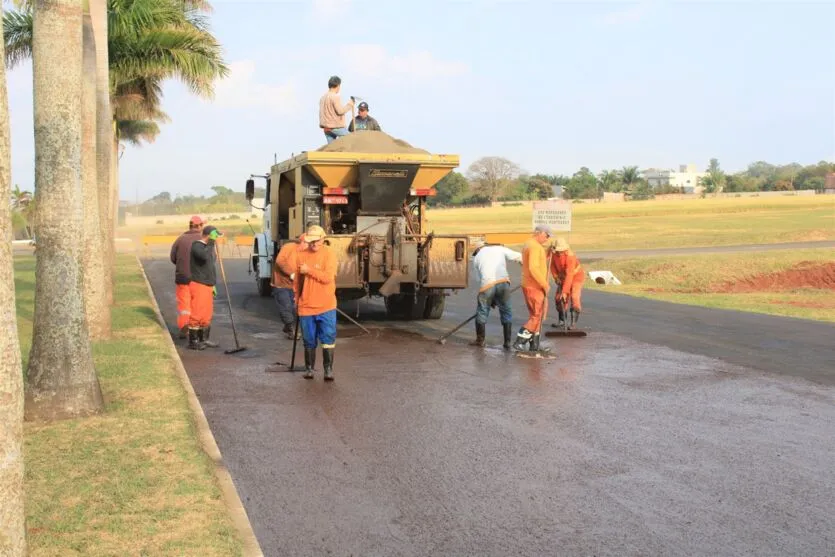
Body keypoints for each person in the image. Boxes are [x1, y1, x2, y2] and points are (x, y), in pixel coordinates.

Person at [293, 225, 338, 380]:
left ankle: (328, 370)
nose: (314, 244)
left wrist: (309, 270)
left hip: (326, 306)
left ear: (323, 239)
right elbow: (298, 281)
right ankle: (309, 369)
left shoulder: (329, 254)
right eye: (311, 241)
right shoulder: (301, 255)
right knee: (309, 340)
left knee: (328, 339)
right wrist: (296, 298)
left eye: (316, 241)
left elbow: (328, 278)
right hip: (306, 306)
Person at [469, 239, 522, 350]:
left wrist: (490, 298)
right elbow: (519, 257)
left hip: (487, 285)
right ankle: (507, 343)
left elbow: (479, 279)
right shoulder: (499, 249)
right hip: (503, 283)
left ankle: (480, 340)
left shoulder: (476, 259)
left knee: (482, 311)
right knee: (506, 311)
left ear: (477, 250)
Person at [512, 224, 553, 352]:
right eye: (547, 235)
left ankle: (534, 344)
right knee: (537, 315)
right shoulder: (535, 247)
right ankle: (520, 341)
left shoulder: (530, 244)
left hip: (530, 284)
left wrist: (547, 253)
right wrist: (544, 284)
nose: (547, 239)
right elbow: (533, 267)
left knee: (536, 315)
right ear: (539, 233)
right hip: (534, 286)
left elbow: (536, 261)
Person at [187, 225, 222, 350]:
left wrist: (212, 284)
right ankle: (193, 341)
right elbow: (203, 257)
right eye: (215, 235)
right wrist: (211, 242)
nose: (217, 237)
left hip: (207, 284)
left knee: (206, 314)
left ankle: (204, 339)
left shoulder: (208, 248)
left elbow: (209, 266)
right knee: (197, 312)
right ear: (208, 234)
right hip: (198, 283)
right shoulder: (197, 245)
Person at [169, 215, 204, 338]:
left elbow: (173, 258)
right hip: (199, 278)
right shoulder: (203, 240)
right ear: (199, 226)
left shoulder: (180, 239)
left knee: (184, 304)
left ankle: (184, 326)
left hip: (182, 277)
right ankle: (196, 329)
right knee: (197, 304)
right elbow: (210, 259)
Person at [272, 234, 307, 339]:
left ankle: (288, 326)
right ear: (301, 242)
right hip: (281, 284)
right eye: (307, 243)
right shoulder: (288, 247)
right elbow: (280, 261)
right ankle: (291, 330)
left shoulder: (308, 253)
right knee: (286, 306)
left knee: (295, 308)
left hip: (295, 285)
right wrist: (291, 273)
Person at [550, 238, 585, 329]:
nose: (559, 252)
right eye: (558, 250)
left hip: (576, 277)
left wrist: (565, 292)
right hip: (563, 277)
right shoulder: (554, 255)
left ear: (565, 249)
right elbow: (552, 266)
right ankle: (562, 321)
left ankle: (573, 324)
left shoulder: (570, 256)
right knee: (558, 298)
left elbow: (570, 275)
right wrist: (556, 277)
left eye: (561, 250)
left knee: (574, 296)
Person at [318, 75, 354, 144]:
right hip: (335, 127)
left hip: (326, 128)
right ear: (338, 85)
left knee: (332, 149)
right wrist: (350, 104)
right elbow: (340, 111)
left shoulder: (322, 98)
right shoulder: (334, 97)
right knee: (352, 138)